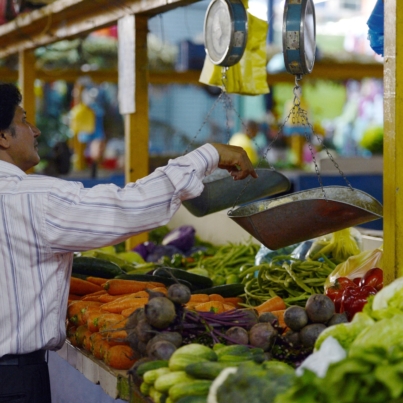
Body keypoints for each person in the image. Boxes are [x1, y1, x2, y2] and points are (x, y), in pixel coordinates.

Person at [0, 82, 257, 402]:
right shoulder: (33, 199)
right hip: (12, 380)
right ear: (3, 136)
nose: (35, 130)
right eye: (24, 120)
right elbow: (128, 207)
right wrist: (209, 154)